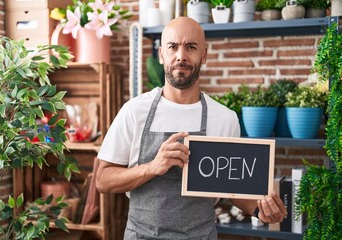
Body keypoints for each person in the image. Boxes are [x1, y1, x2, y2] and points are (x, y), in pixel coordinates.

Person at [96, 16, 287, 240]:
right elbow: (103, 179)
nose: (181, 56)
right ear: (161, 55)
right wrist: (152, 167)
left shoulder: (225, 119)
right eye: (173, 46)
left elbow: (232, 191)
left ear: (204, 55)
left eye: (191, 47)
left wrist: (260, 209)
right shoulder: (134, 111)